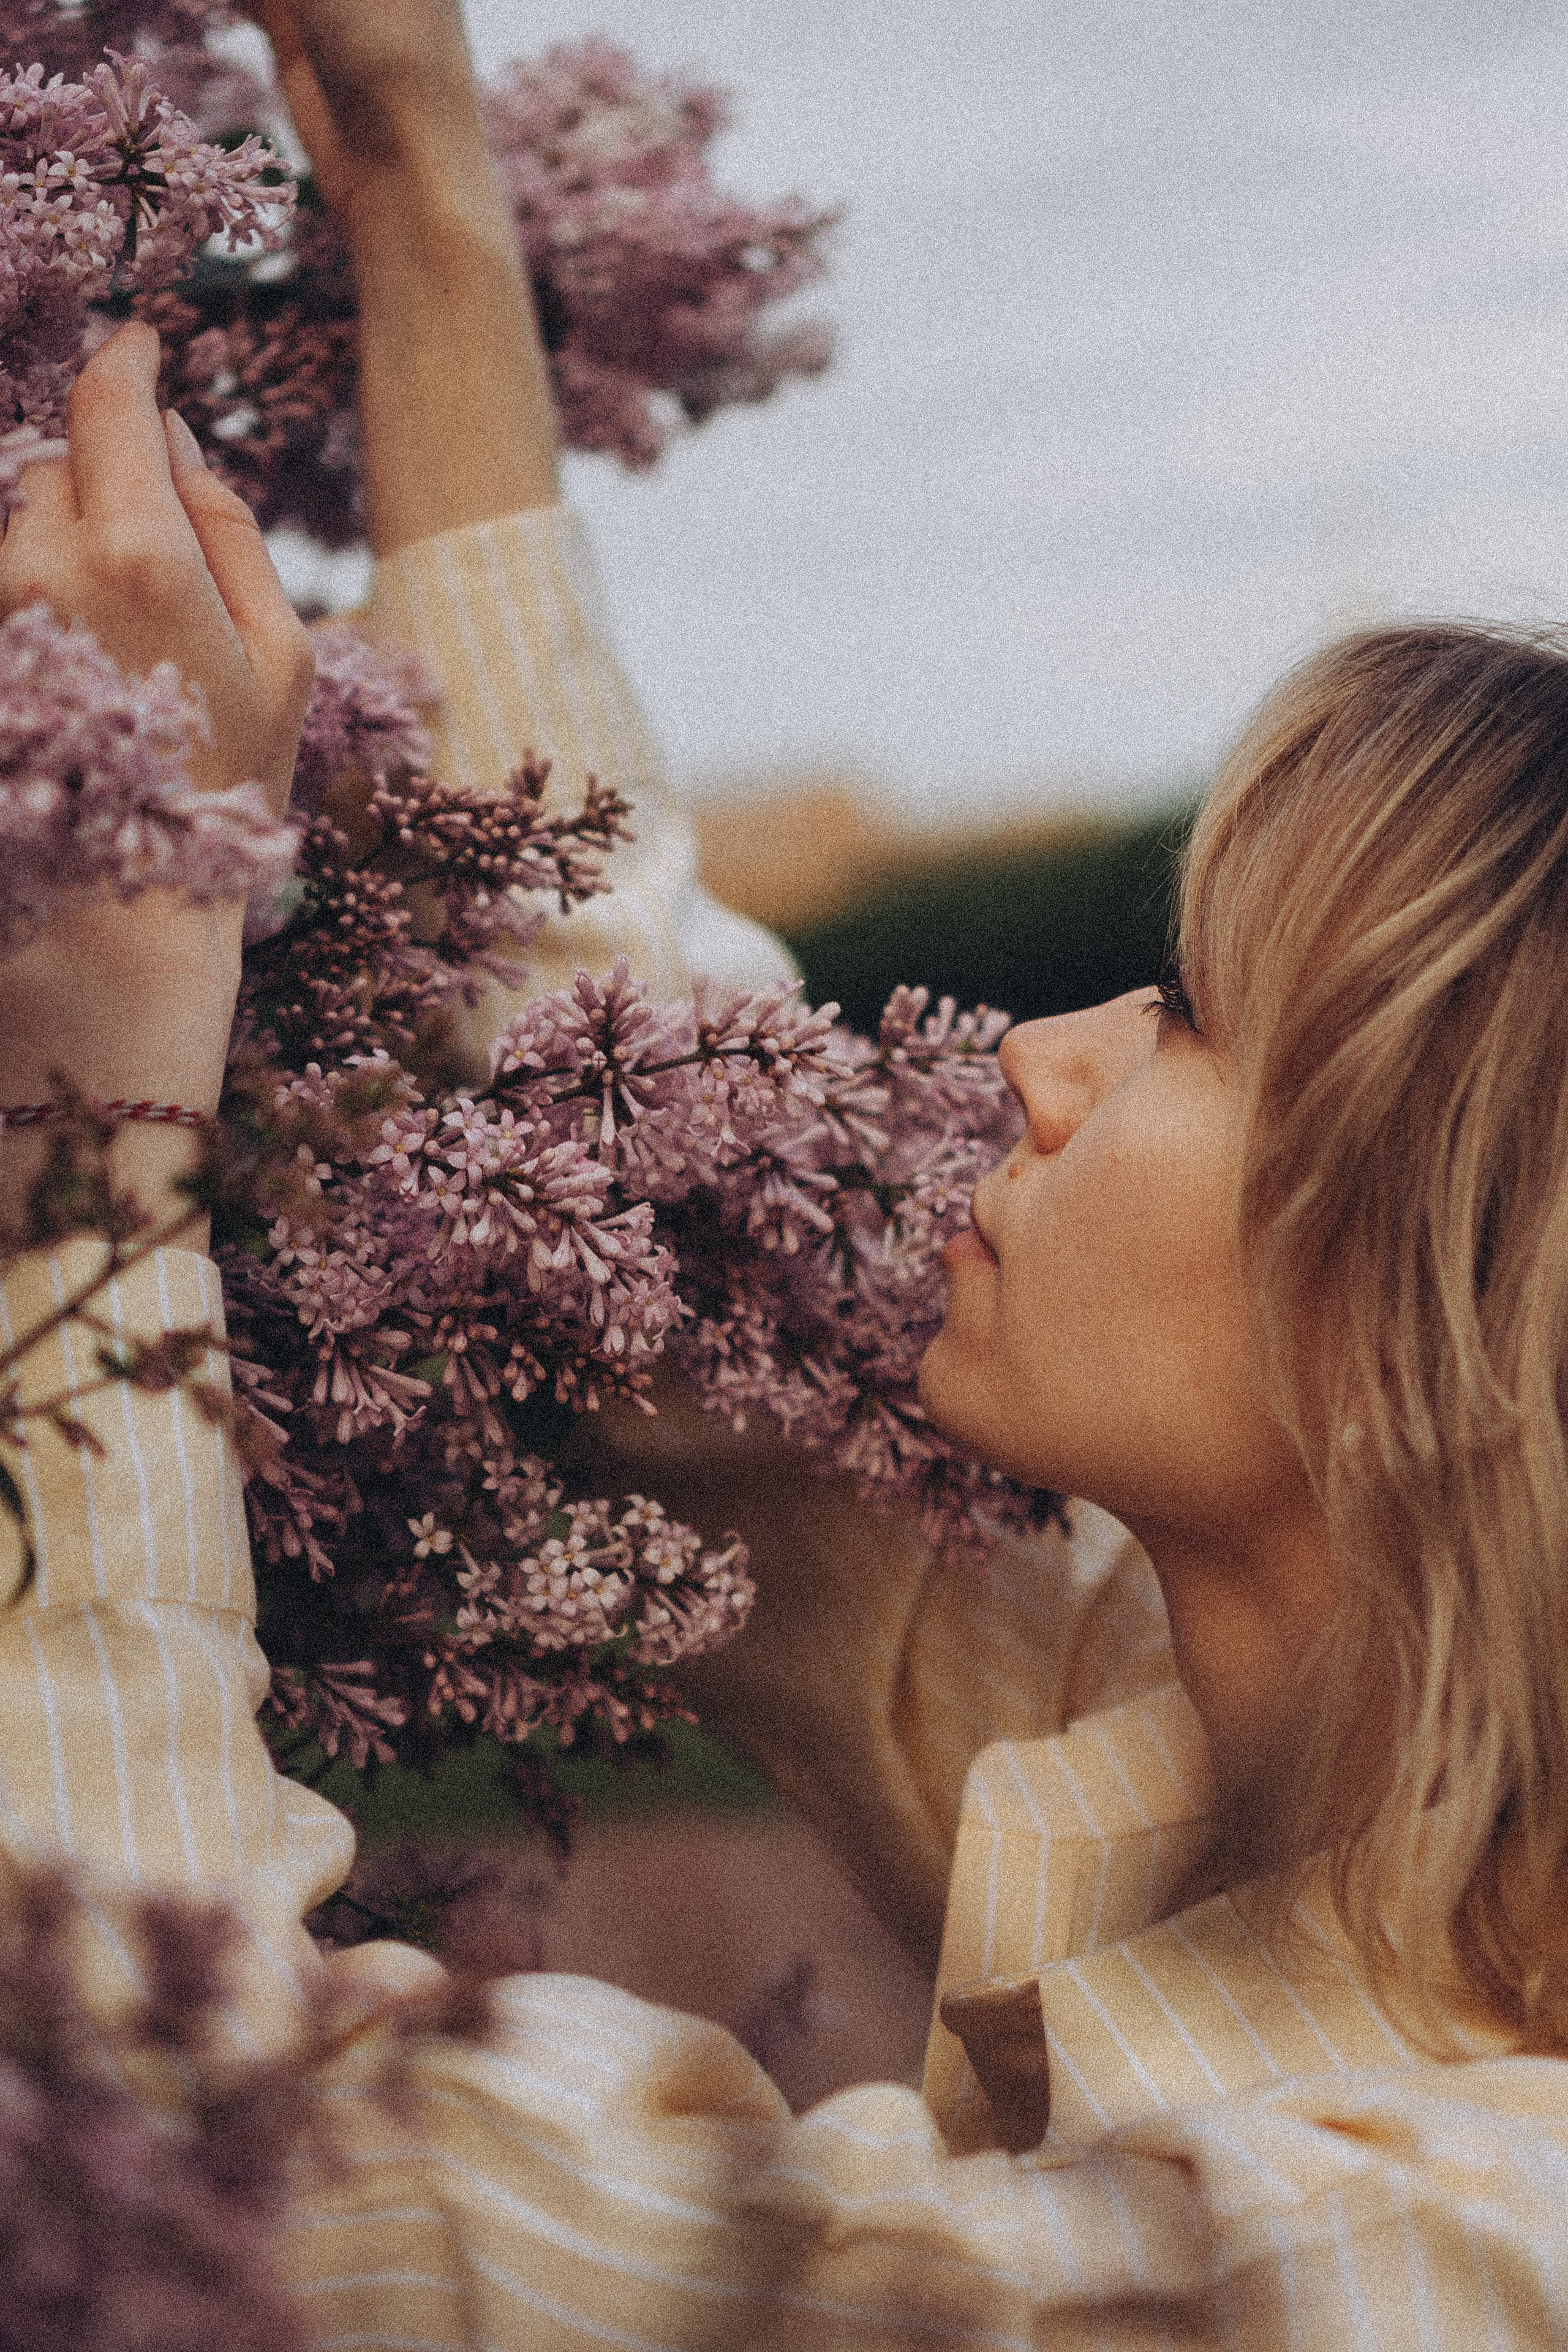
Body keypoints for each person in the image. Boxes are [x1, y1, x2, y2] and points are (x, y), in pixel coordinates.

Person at [1, 3, 1567, 2345]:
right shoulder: (1288, 1766)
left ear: (1447, 1307)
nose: (1042, 1056)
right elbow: (646, 1159)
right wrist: (423, 199)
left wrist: (93, 1119)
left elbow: (276, 2172)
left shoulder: (1462, 2249)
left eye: (1201, 1020)